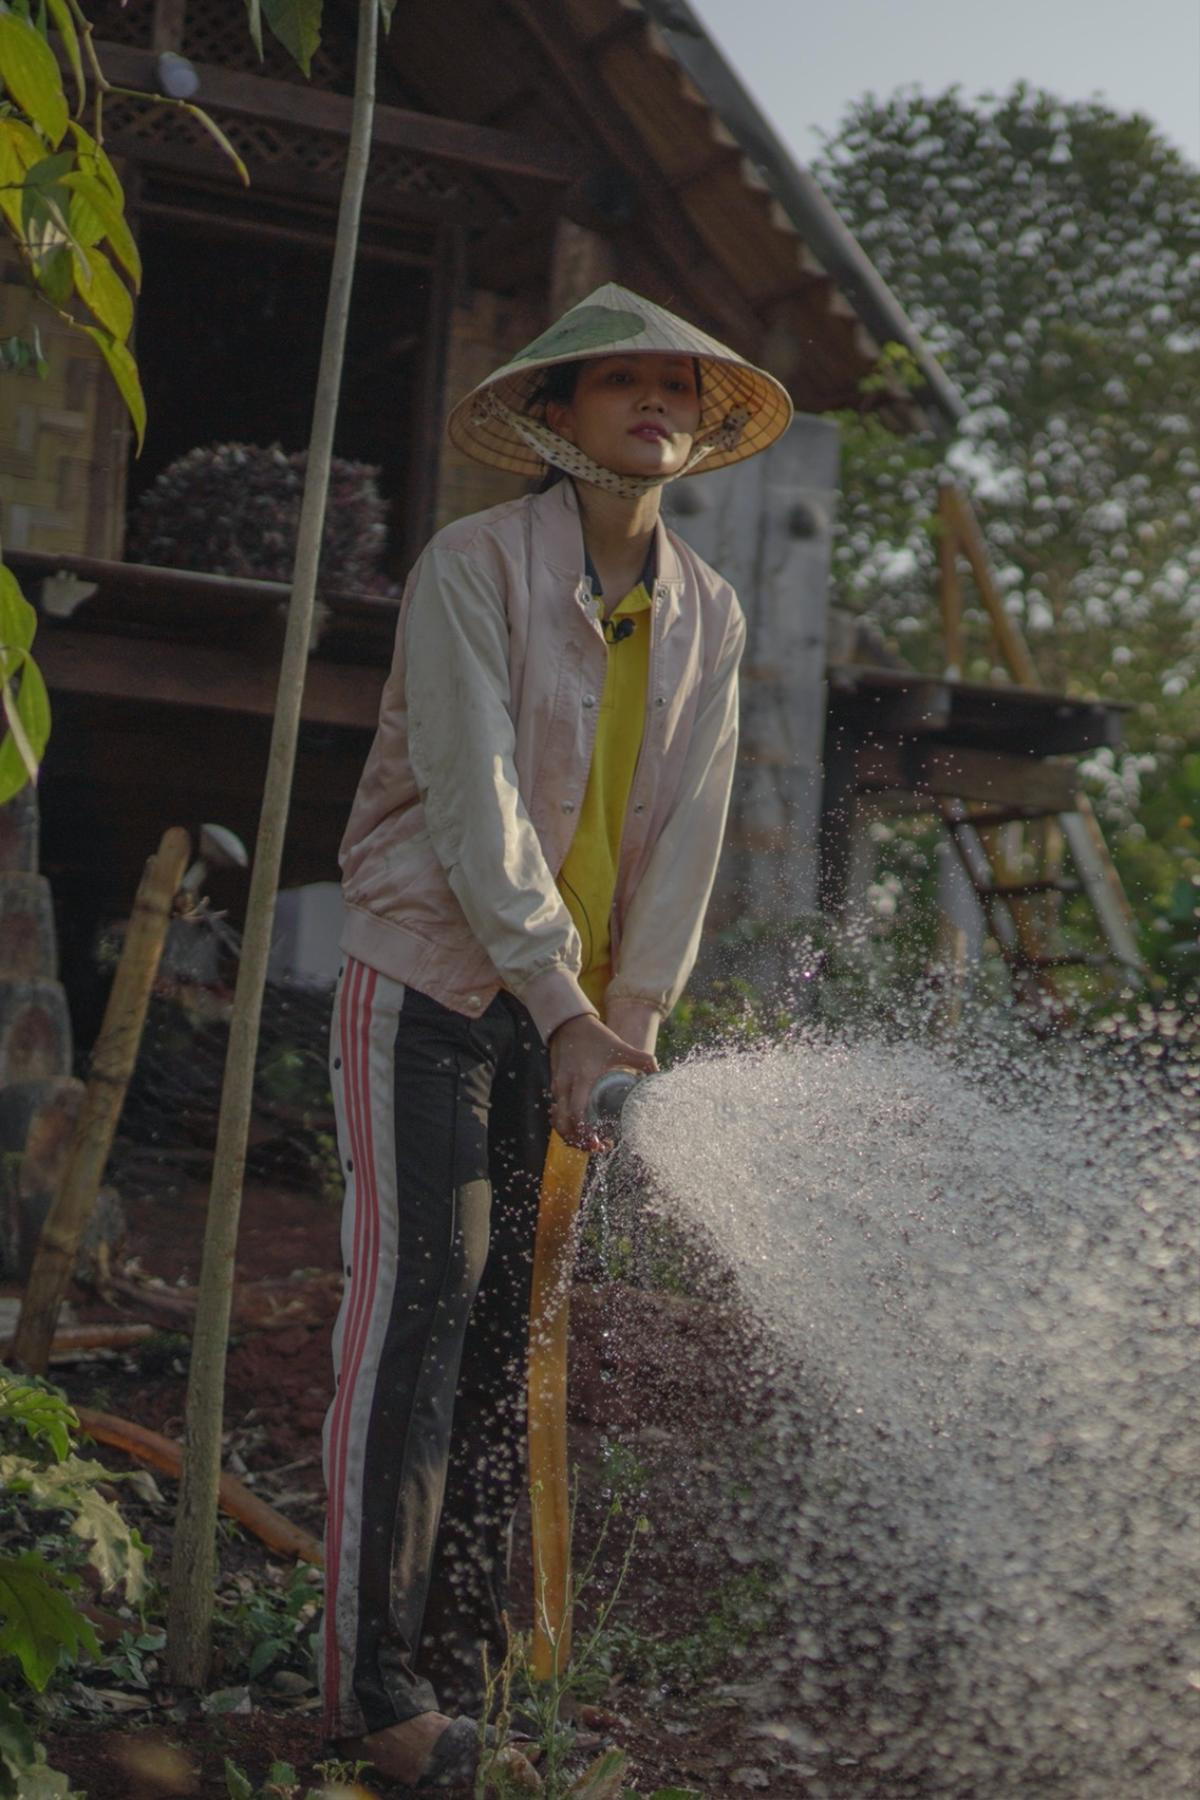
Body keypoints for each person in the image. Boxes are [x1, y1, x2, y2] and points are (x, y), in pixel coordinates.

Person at [320, 284, 792, 1789]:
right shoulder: (473, 567)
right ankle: (367, 1691)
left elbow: (695, 834)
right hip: (437, 984)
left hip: (578, 1022)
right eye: (624, 385)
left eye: (681, 390)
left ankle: (461, 1668)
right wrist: (561, 1002)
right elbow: (475, 805)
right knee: (421, 1307)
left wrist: (626, 1024)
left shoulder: (711, 611)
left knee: (511, 1333)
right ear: (557, 414)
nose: (659, 404)